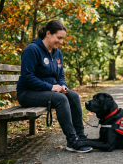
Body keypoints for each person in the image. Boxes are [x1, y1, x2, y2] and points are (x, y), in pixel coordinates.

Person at [16, 20, 92, 153]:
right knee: (60, 99)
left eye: (62, 38)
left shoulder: (57, 53)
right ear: (48, 33)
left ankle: (80, 136)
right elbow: (27, 77)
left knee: (73, 95)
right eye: (59, 38)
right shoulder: (32, 50)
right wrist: (51, 87)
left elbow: (60, 76)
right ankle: (72, 141)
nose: (61, 42)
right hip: (27, 93)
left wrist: (63, 86)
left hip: (46, 91)